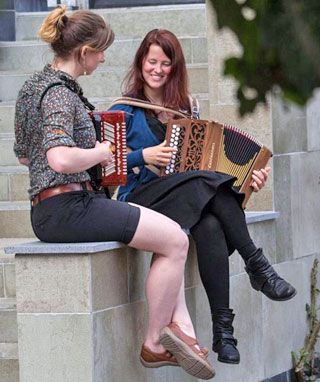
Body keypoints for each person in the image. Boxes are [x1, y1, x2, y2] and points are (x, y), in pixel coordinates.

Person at [13, 8, 216, 380]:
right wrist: (102, 153)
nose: (104, 58)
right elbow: (56, 157)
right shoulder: (59, 94)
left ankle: (181, 327)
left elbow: (26, 156)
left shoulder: (32, 87)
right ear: (83, 51)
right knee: (175, 240)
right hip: (69, 207)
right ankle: (155, 342)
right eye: (101, 51)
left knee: (170, 233)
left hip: (55, 207)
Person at [108, 29, 297, 365]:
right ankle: (257, 265)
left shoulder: (187, 108)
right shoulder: (124, 111)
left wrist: (246, 181)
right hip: (140, 200)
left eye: (166, 63)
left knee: (210, 224)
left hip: (182, 195)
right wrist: (144, 157)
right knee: (206, 187)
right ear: (140, 63)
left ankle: (223, 333)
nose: (158, 69)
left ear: (175, 67)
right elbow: (107, 169)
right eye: (151, 61)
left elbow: (200, 167)